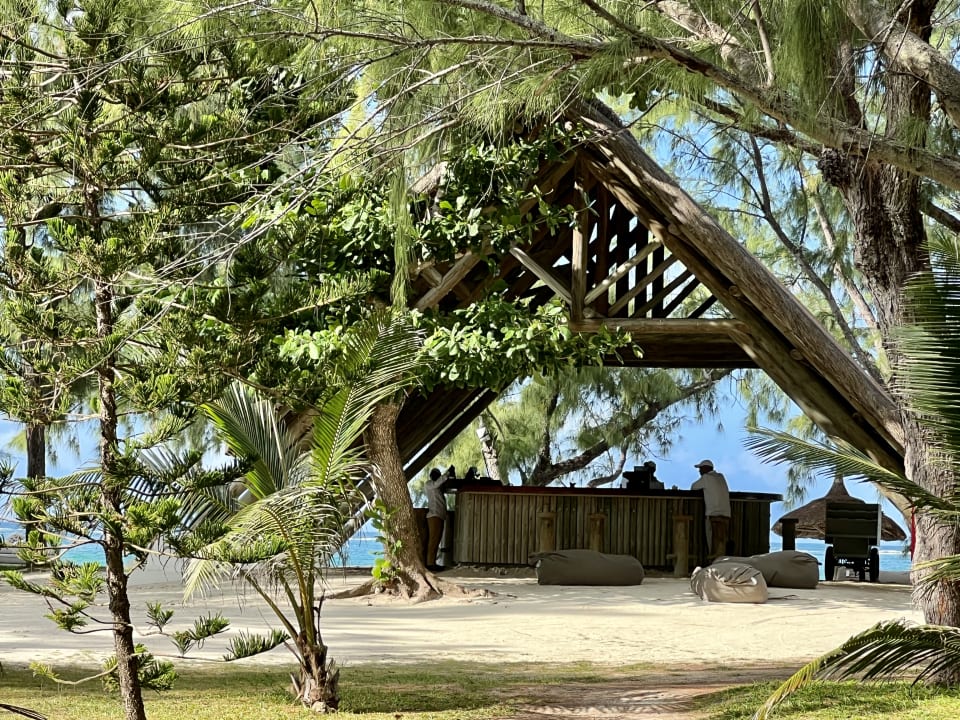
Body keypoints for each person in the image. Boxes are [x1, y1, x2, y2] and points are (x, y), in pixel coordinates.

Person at [690, 459, 732, 556]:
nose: (699, 471)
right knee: (722, 540)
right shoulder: (721, 477)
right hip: (726, 514)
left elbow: (693, 487)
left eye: (700, 469)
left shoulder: (706, 478)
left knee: (711, 540)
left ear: (705, 469)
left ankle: (713, 559)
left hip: (713, 514)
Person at [424, 467, 449, 570]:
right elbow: (437, 483)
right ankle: (430, 564)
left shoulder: (437, 487)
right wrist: (447, 474)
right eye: (434, 474)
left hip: (439, 515)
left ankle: (433, 562)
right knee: (433, 540)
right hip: (434, 515)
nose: (436, 476)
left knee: (437, 540)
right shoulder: (429, 484)